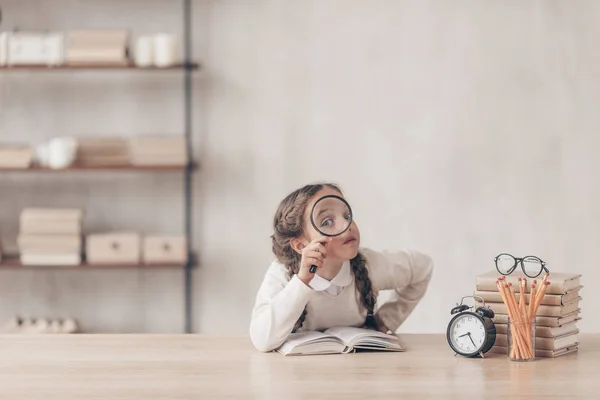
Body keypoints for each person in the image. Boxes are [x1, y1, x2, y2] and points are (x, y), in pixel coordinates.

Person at [249, 183, 434, 352]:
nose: (347, 226)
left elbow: (422, 267)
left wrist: (386, 320)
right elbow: (262, 339)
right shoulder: (282, 273)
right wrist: (302, 282)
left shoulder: (369, 265)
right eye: (327, 222)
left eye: (347, 216)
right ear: (300, 245)